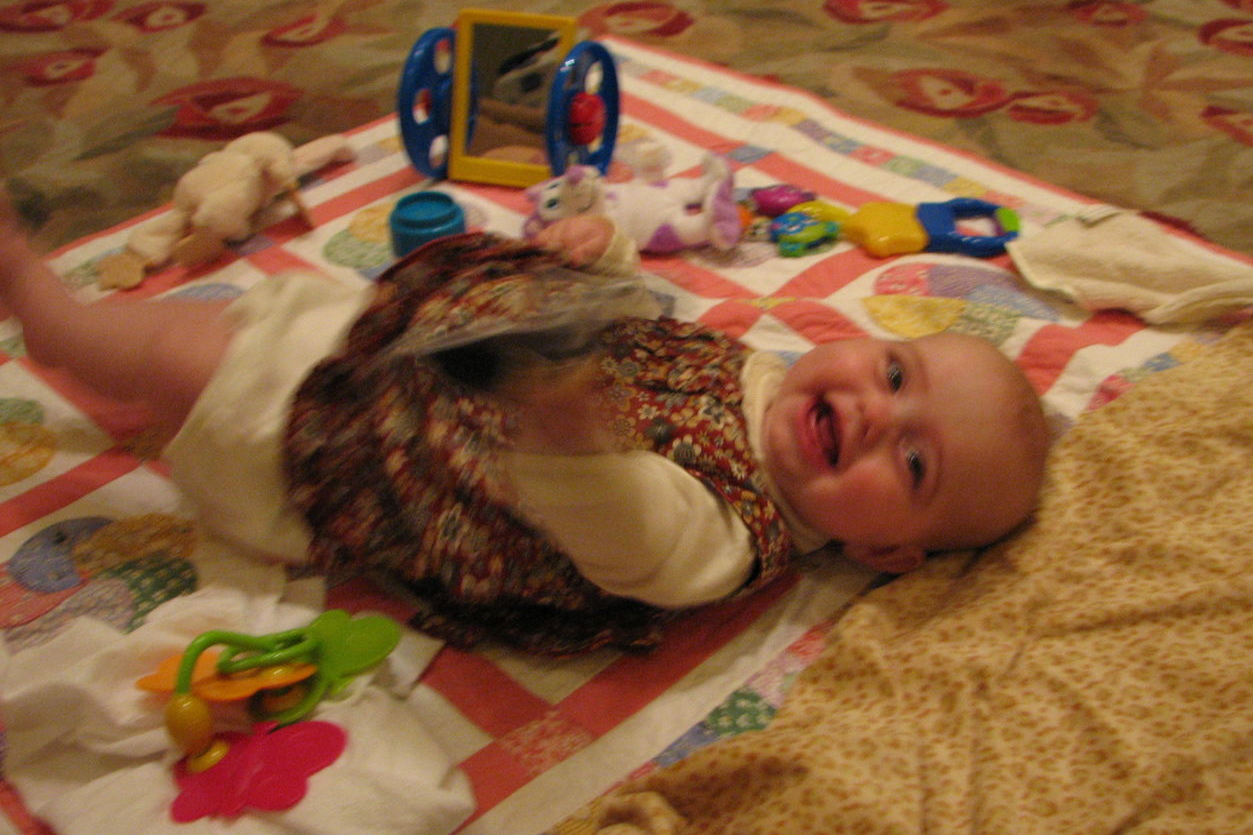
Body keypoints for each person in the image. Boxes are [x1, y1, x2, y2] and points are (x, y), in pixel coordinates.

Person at [0, 196, 1050, 653]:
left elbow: (620, 520)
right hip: (399, 359)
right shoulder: (770, 374)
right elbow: (648, 331)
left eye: (914, 459)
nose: (875, 413)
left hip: (343, 455)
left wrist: (564, 410)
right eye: (895, 370)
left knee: (182, 360)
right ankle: (100, 351)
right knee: (238, 323)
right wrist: (599, 264)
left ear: (883, 550)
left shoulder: (728, 540)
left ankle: (47, 317)